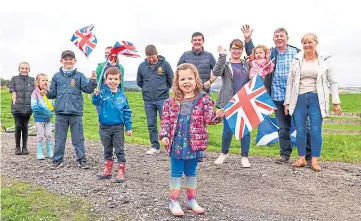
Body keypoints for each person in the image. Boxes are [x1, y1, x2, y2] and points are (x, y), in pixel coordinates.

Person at [159, 63, 224, 217]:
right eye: (182, 79)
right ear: (177, 82)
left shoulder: (204, 99)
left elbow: (209, 118)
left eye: (190, 78)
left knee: (191, 172)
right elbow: (165, 122)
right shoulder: (170, 102)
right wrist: (165, 135)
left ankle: (191, 200)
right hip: (176, 144)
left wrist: (217, 116)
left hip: (194, 144)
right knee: (176, 172)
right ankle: (173, 201)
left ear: (196, 80)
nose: (186, 82)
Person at [242, 25, 312, 164]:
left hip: (296, 95)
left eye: (281, 36)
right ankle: (285, 154)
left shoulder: (296, 52)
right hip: (277, 95)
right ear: (273, 39)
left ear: (287, 38)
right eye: (276, 36)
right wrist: (248, 39)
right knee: (283, 127)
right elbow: (255, 54)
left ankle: (309, 156)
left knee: (303, 125)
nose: (279, 38)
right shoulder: (271, 53)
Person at [284, 33, 342, 171]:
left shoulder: (324, 60)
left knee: (316, 131)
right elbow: (290, 83)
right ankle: (302, 159)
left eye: (310, 42)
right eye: (304, 43)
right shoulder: (297, 60)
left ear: (316, 43)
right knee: (300, 131)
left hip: (317, 99)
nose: (307, 45)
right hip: (299, 99)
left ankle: (315, 161)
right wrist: (287, 102)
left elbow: (333, 81)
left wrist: (336, 102)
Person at [44, 50, 97, 169]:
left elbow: (88, 89)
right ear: (61, 61)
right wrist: (46, 92)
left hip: (75, 113)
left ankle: (82, 160)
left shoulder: (80, 76)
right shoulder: (56, 77)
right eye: (65, 59)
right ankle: (57, 160)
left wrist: (93, 80)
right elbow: (52, 94)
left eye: (70, 59)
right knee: (59, 138)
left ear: (75, 61)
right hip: (60, 113)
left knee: (78, 138)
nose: (68, 61)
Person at [212, 39, 252, 167]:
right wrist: (222, 56)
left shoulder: (247, 64)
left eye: (239, 48)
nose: (236, 51)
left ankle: (245, 156)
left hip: (244, 100)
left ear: (242, 50)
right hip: (229, 101)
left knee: (245, 130)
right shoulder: (226, 64)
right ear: (230, 50)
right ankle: (224, 153)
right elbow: (216, 72)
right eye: (234, 48)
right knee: (228, 130)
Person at [93, 67, 132, 182]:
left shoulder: (122, 96)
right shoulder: (102, 93)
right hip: (104, 127)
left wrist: (128, 127)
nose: (113, 81)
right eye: (110, 78)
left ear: (120, 81)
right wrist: (96, 95)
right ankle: (107, 169)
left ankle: (120, 171)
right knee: (107, 148)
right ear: (106, 80)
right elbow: (96, 102)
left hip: (118, 127)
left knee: (119, 149)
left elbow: (127, 112)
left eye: (116, 79)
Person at [136, 45, 174, 155]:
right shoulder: (142, 66)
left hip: (163, 99)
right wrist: (147, 89)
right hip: (148, 100)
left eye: (153, 57)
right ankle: (155, 146)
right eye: (149, 57)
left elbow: (171, 79)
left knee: (166, 122)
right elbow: (139, 82)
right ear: (146, 57)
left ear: (157, 54)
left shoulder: (165, 64)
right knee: (151, 124)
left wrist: (163, 89)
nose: (151, 59)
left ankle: (170, 145)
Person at [9, 62, 35, 155]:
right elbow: (13, 92)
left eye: (26, 68)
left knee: (25, 126)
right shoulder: (14, 79)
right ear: (19, 69)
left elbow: (34, 93)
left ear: (29, 70)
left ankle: (25, 147)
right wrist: (15, 104)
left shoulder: (32, 80)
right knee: (18, 126)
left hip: (28, 107)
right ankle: (17, 147)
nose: (24, 70)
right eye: (22, 68)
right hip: (17, 107)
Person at [31, 73, 54, 160]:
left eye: (46, 80)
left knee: (49, 135)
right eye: (43, 80)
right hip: (39, 118)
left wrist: (51, 111)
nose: (45, 82)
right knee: (40, 135)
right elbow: (34, 106)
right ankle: (39, 153)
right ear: (38, 82)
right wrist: (45, 112)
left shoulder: (49, 93)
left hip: (48, 119)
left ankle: (50, 152)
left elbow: (52, 104)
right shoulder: (35, 93)